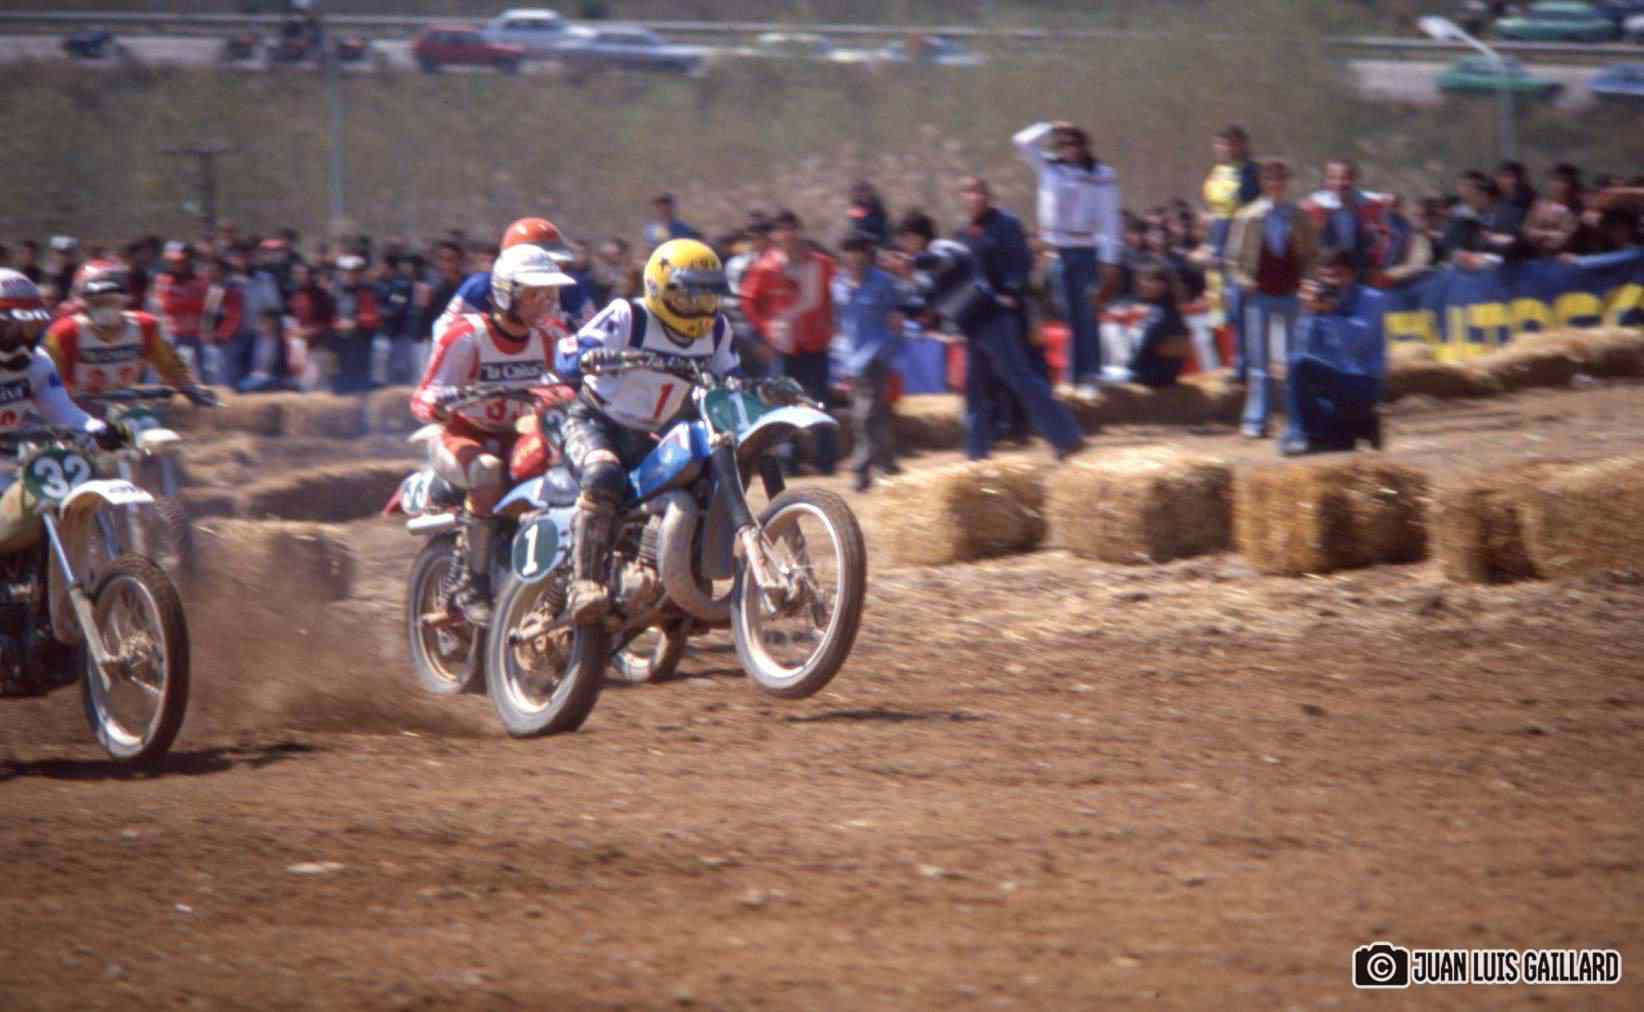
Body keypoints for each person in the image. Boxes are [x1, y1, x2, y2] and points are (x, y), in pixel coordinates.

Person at [554, 238, 801, 624]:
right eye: (689, 296)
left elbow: (730, 379)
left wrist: (764, 390)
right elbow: (566, 353)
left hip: (648, 435)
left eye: (708, 296)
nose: (700, 306)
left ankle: (680, 581)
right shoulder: (628, 316)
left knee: (702, 479)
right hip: (595, 422)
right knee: (603, 473)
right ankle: (584, 584)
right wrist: (590, 357)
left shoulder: (716, 330)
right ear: (660, 289)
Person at [411, 245, 577, 624]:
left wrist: (566, 392)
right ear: (505, 293)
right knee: (487, 470)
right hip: (464, 434)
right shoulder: (467, 337)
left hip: (519, 435)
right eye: (534, 294)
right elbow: (423, 395)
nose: (544, 303)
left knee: (566, 471)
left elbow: (572, 381)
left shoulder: (551, 336)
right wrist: (440, 404)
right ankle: (474, 584)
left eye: (549, 294)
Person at [893, 209, 1083, 462]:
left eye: (904, 240)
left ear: (916, 236)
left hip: (993, 322)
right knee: (975, 394)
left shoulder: (943, 247)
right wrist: (899, 310)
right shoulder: (923, 272)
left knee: (1022, 381)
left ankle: (1068, 437)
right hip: (973, 330)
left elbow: (945, 262)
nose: (903, 247)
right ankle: (976, 458)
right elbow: (926, 306)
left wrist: (913, 263)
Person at [0, 270, 124, 569]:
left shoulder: (39, 363)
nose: (25, 338)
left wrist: (96, 428)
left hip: (12, 461)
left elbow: (64, 411)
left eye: (32, 327)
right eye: (16, 328)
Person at [1013, 120, 1121, 394]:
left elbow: (1110, 220)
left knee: (1087, 312)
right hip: (1057, 250)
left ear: (1084, 146)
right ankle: (1074, 376)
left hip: (1086, 250)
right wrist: (1050, 127)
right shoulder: (1049, 166)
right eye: (1062, 144)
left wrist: (1110, 260)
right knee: (1069, 314)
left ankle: (1091, 374)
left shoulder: (1101, 175)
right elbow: (1021, 142)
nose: (1068, 149)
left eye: (1073, 143)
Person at [739, 209, 837, 474]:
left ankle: (826, 460)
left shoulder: (821, 264)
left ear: (799, 231)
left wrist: (831, 324)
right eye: (781, 230)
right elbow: (748, 300)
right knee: (782, 405)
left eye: (791, 229)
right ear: (775, 235)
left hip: (815, 343)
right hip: (783, 345)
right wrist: (764, 331)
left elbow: (833, 295)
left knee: (821, 401)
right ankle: (787, 462)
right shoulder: (766, 266)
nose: (787, 235)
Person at [1227, 158, 1318, 438]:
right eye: (1270, 179)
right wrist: (1246, 282)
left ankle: (1296, 418)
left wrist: (1307, 281)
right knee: (1259, 363)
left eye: (1280, 178)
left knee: (1294, 360)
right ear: (1263, 182)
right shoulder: (1248, 217)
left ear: (1286, 182)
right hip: (1260, 294)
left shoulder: (1298, 216)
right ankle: (1257, 420)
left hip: (1291, 293)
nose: (1275, 184)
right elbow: (1233, 259)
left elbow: (1311, 255)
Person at [44, 264, 201, 408]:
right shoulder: (64, 334)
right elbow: (49, 382)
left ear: (124, 299)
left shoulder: (145, 327)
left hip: (125, 407)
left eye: (111, 301)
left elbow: (171, 367)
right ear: (83, 303)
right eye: (97, 302)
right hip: (78, 411)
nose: (105, 308)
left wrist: (189, 388)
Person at [1280, 247, 1386, 457]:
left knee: (1300, 365)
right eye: (1326, 276)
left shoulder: (1373, 299)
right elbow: (1304, 349)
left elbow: (1353, 345)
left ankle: (1306, 435)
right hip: (1333, 385)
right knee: (1297, 364)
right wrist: (1309, 311)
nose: (1332, 282)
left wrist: (1331, 313)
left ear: (1351, 274)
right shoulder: (1321, 300)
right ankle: (1360, 426)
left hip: (1362, 383)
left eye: (1338, 275)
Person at [831, 230, 904, 492]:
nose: (852, 258)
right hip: (851, 358)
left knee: (864, 416)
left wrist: (889, 351)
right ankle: (888, 463)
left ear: (866, 254)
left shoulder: (884, 283)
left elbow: (896, 320)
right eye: (848, 253)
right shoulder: (838, 284)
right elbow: (840, 322)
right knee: (875, 415)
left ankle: (861, 471)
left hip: (876, 356)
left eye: (857, 252)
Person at [435, 218, 575, 342]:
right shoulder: (482, 285)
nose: (554, 268)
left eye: (559, 263)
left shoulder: (564, 288)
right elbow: (445, 329)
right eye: (546, 261)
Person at [1202, 125, 1261, 381]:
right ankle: (1230, 363)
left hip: (1240, 240)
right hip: (1217, 239)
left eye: (1231, 143)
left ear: (1242, 145)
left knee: (1240, 306)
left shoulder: (1251, 172)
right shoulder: (1217, 171)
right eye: (1221, 143)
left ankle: (1245, 366)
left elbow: (1252, 208)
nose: (1225, 148)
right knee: (1222, 307)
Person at [1102, 258, 1191, 389]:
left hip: (1149, 379)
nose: (1141, 284)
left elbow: (1141, 357)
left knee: (1095, 376)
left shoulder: (1159, 315)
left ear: (1162, 286)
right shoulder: (1173, 312)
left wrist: (1125, 372)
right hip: (1167, 378)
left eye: (1147, 280)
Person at [1304, 160, 1385, 282]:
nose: (1339, 183)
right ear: (1325, 180)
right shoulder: (1313, 206)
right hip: (1325, 274)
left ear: (1354, 179)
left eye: (1345, 178)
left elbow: (1379, 242)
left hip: (1358, 272)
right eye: (1333, 178)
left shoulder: (1369, 206)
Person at [148, 241, 209, 375]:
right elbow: (166, 305)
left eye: (181, 261)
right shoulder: (163, 280)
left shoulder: (200, 281)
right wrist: (188, 302)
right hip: (172, 333)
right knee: (169, 370)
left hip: (196, 333)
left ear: (190, 260)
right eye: (173, 262)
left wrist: (187, 302)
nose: (176, 265)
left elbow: (205, 306)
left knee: (202, 371)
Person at [331, 255, 381, 393]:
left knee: (359, 380)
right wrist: (336, 324)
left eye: (353, 272)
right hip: (340, 342)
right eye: (345, 272)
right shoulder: (336, 292)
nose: (348, 276)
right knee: (341, 378)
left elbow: (374, 317)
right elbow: (330, 315)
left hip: (360, 341)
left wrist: (355, 322)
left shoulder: (367, 292)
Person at [234, 308, 294, 394]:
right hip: (252, 377)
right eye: (262, 321)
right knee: (245, 386)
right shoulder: (250, 339)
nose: (265, 324)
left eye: (268, 321)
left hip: (272, 379)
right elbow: (241, 362)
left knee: (293, 385)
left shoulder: (280, 342)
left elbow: (283, 366)